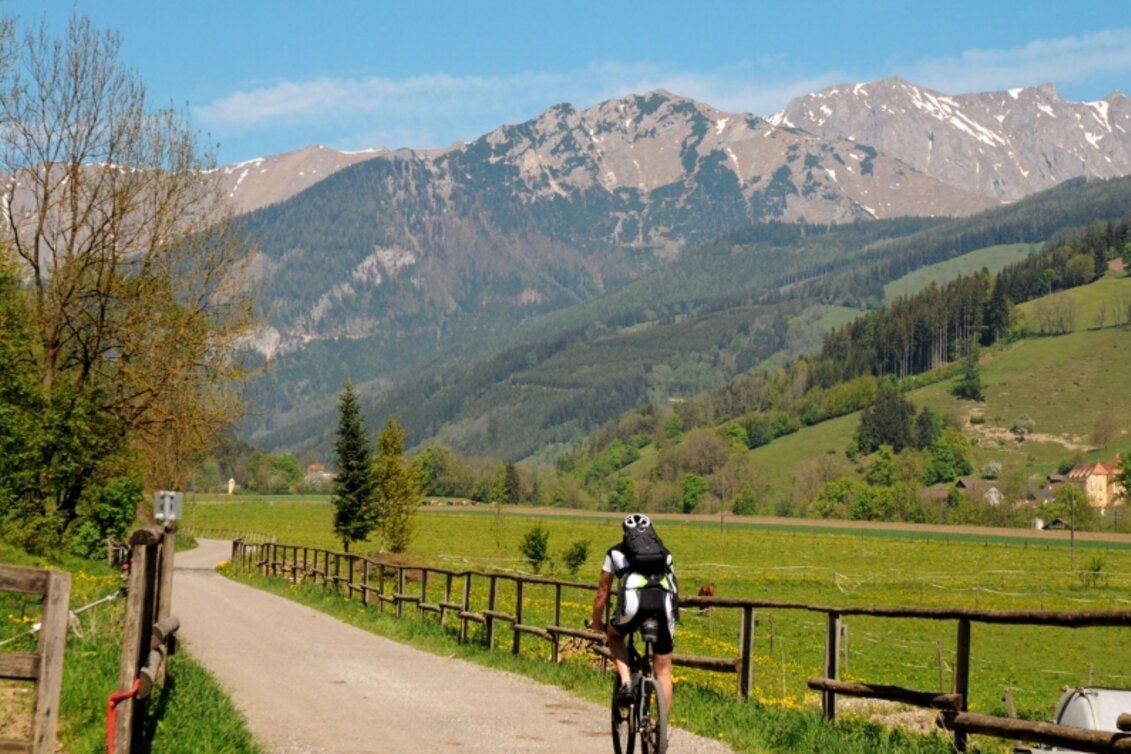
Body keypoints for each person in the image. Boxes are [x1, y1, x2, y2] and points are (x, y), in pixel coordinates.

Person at [589, 513, 678, 715]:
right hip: (663, 608)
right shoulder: (665, 553)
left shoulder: (614, 553)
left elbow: (602, 593)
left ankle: (627, 682)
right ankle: (660, 728)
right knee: (663, 670)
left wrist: (596, 624)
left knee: (615, 635)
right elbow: (673, 587)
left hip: (632, 607)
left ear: (625, 533)